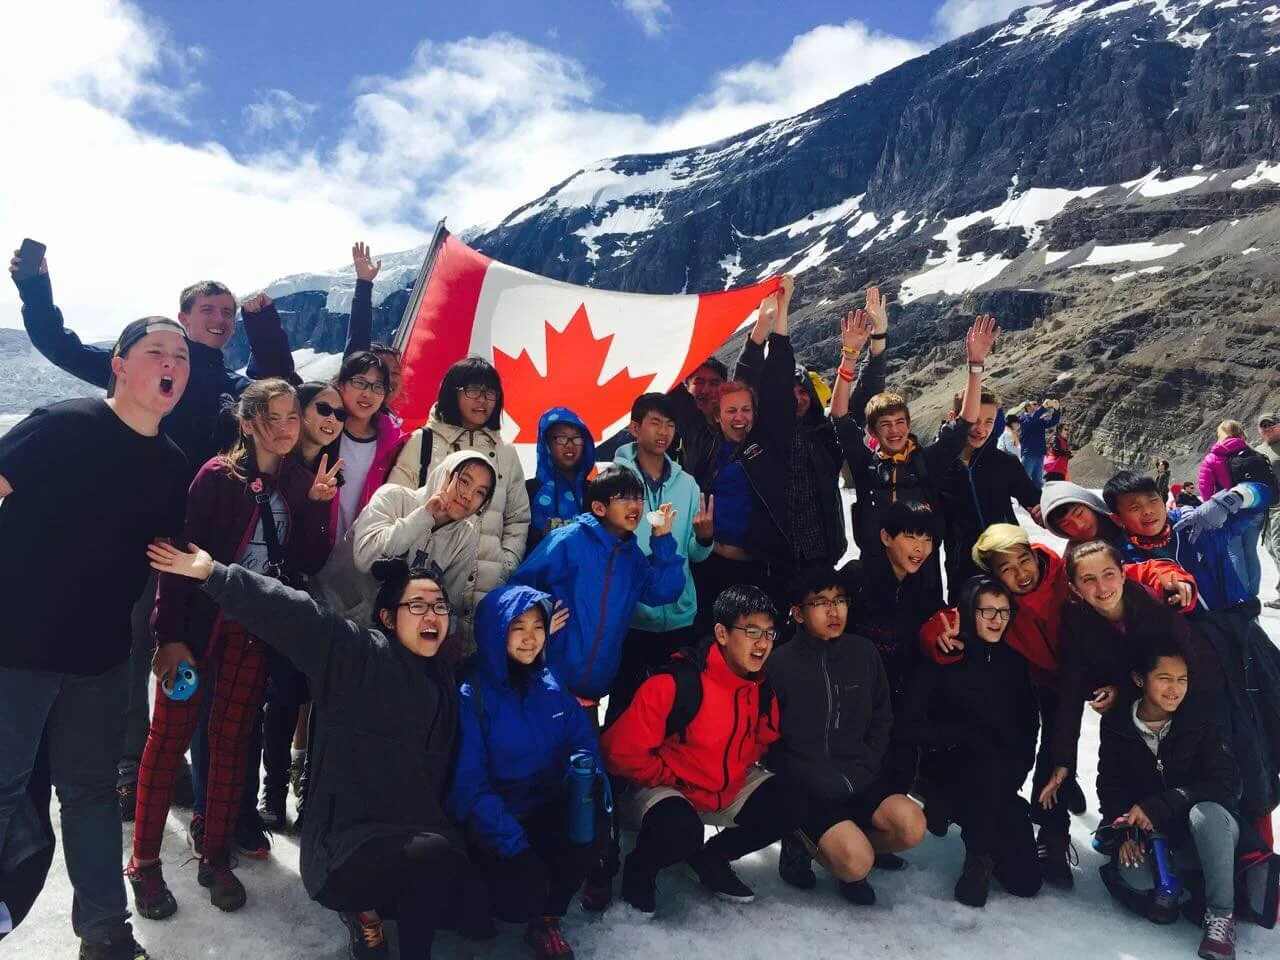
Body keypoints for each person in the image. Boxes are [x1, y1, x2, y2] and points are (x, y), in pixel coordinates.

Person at [10, 247, 296, 826]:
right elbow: (60, 346)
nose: (221, 319)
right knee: (132, 650)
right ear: (184, 317)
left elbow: (280, 390)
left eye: (229, 313)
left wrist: (265, 324)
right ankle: (127, 769)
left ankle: (175, 767)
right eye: (209, 310)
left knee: (181, 651)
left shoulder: (234, 387)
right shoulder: (147, 366)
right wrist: (35, 291)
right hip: (135, 539)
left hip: (198, 546)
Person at [145, 545, 484, 960]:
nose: (432, 615)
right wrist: (216, 575)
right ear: (388, 618)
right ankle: (370, 920)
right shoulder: (359, 658)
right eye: (417, 605)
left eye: (439, 606)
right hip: (346, 850)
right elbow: (300, 616)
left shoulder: (444, 685)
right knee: (435, 858)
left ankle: (394, 899)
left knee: (476, 906)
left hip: (412, 838)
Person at [0, 315, 192, 960]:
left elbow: (165, 561)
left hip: (101, 659)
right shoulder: (62, 424)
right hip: (14, 646)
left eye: (182, 356)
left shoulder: (171, 464)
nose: (172, 363)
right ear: (118, 363)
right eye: (156, 350)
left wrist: (169, 637)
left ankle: (105, 931)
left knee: (88, 793)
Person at [128, 380, 335, 916]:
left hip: (251, 634)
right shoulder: (218, 478)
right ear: (247, 424)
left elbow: (306, 563)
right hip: (197, 632)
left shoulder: (295, 479)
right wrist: (168, 635)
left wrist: (316, 506)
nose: (289, 427)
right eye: (276, 417)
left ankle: (214, 855)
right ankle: (145, 865)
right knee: (168, 739)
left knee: (229, 744)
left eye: (294, 416)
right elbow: (178, 557)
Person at [601, 586, 805, 914]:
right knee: (680, 831)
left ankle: (712, 859)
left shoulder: (760, 685)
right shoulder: (676, 683)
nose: (763, 643)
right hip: (666, 786)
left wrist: (735, 764)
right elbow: (617, 752)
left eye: (769, 632)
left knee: (792, 800)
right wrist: (670, 775)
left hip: (722, 787)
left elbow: (764, 736)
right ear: (722, 633)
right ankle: (641, 870)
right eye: (751, 631)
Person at [449, 585, 601, 960]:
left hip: (542, 804)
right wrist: (513, 843)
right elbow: (469, 785)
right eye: (518, 627)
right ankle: (482, 901)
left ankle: (546, 921)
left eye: (538, 626)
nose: (531, 638)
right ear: (495, 631)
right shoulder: (473, 695)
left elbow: (580, 741)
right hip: (494, 820)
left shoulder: (550, 682)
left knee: (587, 836)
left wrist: (583, 778)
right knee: (519, 895)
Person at [1094, 639, 1263, 959]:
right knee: (1134, 874)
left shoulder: (1203, 716)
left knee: (1206, 814)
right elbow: (1110, 787)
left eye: (1182, 680)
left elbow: (1226, 786)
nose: (1175, 689)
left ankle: (1220, 915)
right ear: (1140, 679)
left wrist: (1164, 803)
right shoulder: (1117, 724)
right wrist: (1124, 833)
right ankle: (1185, 884)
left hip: (1211, 826)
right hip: (1157, 834)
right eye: (1165, 679)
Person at [768, 567, 926, 906]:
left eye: (840, 600)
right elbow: (767, 738)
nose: (834, 610)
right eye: (821, 603)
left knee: (912, 826)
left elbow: (883, 717)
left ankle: (850, 846)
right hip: (810, 788)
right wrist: (801, 776)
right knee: (857, 864)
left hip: (860, 776)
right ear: (797, 613)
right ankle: (807, 841)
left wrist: (869, 764)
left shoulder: (863, 652)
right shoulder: (779, 664)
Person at [1039, 539, 1224, 818]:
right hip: (1136, 700)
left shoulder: (1154, 607)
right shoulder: (1076, 620)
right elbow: (1071, 688)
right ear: (1075, 588)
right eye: (1088, 579)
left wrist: (1202, 716)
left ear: (1123, 574)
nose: (1102, 588)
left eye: (1109, 575)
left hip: (1185, 694)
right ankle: (1127, 825)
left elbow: (1192, 665)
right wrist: (1063, 762)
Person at [834, 314, 999, 601]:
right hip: (874, 580)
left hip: (924, 581)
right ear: (873, 431)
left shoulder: (927, 462)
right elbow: (839, 416)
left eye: (900, 423)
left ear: (909, 426)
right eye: (885, 425)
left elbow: (966, 420)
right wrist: (849, 357)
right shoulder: (865, 467)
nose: (895, 430)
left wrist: (976, 365)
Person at [900, 576, 1043, 907]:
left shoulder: (1014, 662)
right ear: (969, 610)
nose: (996, 620)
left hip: (998, 778)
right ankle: (978, 858)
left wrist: (1018, 771)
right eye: (987, 611)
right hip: (946, 768)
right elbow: (908, 722)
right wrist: (954, 737)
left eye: (1004, 612)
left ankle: (994, 836)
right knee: (983, 770)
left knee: (1026, 883)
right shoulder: (947, 654)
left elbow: (1028, 725)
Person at [511, 465, 685, 708]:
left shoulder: (633, 557)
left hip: (594, 693)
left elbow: (665, 592)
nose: (634, 505)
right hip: (545, 684)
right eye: (623, 497)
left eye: (638, 497)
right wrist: (540, 621)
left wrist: (663, 540)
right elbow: (518, 590)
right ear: (599, 507)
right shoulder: (568, 540)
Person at [687, 280, 801, 620]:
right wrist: (759, 328)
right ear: (717, 415)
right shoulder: (705, 447)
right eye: (731, 411)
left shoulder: (767, 445)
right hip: (709, 566)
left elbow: (777, 379)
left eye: (746, 410)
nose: (740, 417)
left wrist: (779, 318)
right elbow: (743, 376)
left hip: (758, 570)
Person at [603, 393, 715, 725]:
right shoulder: (613, 480)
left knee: (676, 707)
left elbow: (695, 553)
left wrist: (705, 537)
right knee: (626, 705)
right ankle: (620, 775)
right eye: (655, 423)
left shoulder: (688, 485)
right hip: (632, 617)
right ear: (635, 428)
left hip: (680, 616)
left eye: (669, 424)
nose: (663, 431)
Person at [387, 356, 531, 611]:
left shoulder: (506, 453)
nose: (483, 400)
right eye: (473, 390)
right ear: (453, 392)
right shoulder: (424, 442)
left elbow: (518, 517)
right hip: (426, 575)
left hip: (488, 585)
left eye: (490, 393)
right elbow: (396, 504)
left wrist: (506, 564)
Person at [352, 450, 497, 655]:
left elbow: (449, 603)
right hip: (351, 625)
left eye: (480, 492)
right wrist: (425, 515)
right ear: (443, 475)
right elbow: (365, 558)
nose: (468, 495)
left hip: (404, 647)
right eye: (464, 481)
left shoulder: (465, 537)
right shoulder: (394, 497)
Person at [308, 351, 406, 618]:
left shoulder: (395, 443)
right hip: (313, 559)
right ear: (342, 384)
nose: (368, 393)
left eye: (377, 386)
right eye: (360, 382)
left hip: (364, 567)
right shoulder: (321, 433)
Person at [1104, 470, 1272, 614]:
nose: (1148, 511)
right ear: (1117, 519)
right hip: (1186, 642)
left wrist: (1230, 501)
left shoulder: (1197, 523)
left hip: (1238, 622)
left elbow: (1264, 493)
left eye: (1153, 500)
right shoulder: (1120, 557)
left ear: (1163, 500)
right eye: (1135, 508)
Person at [937, 388, 1043, 601]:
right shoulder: (937, 465)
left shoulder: (1005, 462)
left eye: (989, 421)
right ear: (954, 417)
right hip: (964, 569)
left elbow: (1035, 502)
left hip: (1011, 566)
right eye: (974, 420)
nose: (981, 429)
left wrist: (1046, 513)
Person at [526, 408, 595, 552]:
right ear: (546, 443)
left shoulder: (594, 491)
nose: (569, 445)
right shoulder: (529, 491)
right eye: (561, 438)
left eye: (576, 438)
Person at [1041, 480, 1123, 545]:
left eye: (1079, 514)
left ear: (1091, 505)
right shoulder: (1076, 558)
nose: (1080, 525)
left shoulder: (1127, 524)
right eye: (1066, 524)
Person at [1256, 413, 1280, 608]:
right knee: (1271, 549)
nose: (1266, 428)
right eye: (1263, 426)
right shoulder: (1257, 450)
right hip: (1266, 508)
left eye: (1270, 424)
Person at [1018, 399, 1061, 486]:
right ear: (1027, 407)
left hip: (1040, 454)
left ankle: (1037, 499)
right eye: (1034, 404)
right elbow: (1030, 422)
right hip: (1029, 453)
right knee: (1024, 479)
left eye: (1038, 404)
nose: (1037, 405)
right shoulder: (1023, 418)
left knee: (1038, 481)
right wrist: (1042, 408)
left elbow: (1053, 421)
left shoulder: (1039, 420)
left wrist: (1057, 410)